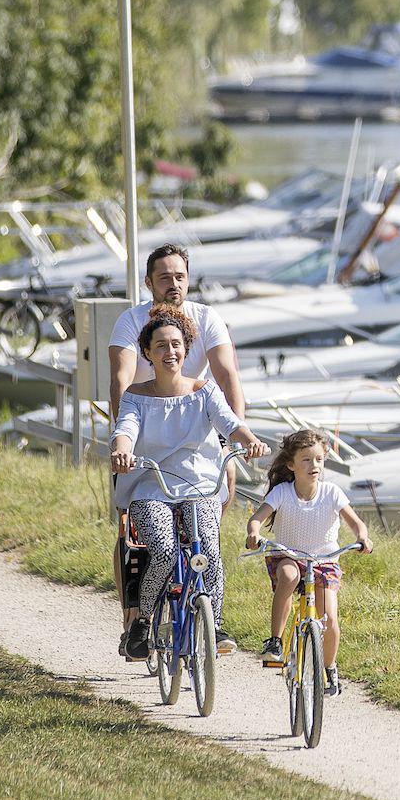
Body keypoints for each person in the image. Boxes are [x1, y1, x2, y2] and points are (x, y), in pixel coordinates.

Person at [111, 310, 268, 661]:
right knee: (164, 551)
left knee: (208, 550)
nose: (170, 352)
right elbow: (126, 429)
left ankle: (215, 624)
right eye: (161, 346)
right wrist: (122, 451)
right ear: (147, 353)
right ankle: (143, 621)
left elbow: (230, 423)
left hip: (200, 485)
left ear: (186, 349)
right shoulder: (136, 396)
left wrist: (250, 441)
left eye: (176, 345)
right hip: (152, 485)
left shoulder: (204, 391)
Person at [244, 428, 372, 695]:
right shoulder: (282, 492)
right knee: (289, 576)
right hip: (288, 555)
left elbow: (356, 523)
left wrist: (362, 537)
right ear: (291, 465)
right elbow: (257, 518)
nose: (314, 465)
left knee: (330, 619)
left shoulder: (331, 492)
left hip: (324, 561)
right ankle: (275, 641)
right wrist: (253, 533)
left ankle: (329, 667)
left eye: (319, 459)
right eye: (306, 459)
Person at [108, 244, 245, 423]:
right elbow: (121, 380)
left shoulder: (206, 317)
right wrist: (124, 430)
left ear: (187, 280)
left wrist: (238, 429)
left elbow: (227, 376)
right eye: (165, 278)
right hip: (142, 421)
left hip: (194, 423)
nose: (174, 284)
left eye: (180, 277)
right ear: (148, 283)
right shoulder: (130, 320)